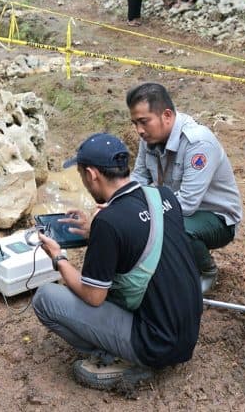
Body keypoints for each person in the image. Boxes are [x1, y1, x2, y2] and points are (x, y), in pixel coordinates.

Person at [32, 133, 202, 391]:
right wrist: (95, 233)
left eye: (81, 175)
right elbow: (143, 235)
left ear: (91, 174)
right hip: (186, 333)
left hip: (154, 344)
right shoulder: (164, 196)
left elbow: (93, 297)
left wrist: (59, 258)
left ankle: (123, 358)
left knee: (45, 298)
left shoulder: (109, 222)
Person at [126, 82, 242, 293]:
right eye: (135, 123)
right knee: (142, 219)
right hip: (177, 207)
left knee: (175, 228)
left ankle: (207, 271)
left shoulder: (198, 143)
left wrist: (145, 213)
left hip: (216, 217)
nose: (139, 130)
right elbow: (139, 178)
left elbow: (187, 204)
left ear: (167, 115)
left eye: (144, 122)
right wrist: (121, 205)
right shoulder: (149, 139)